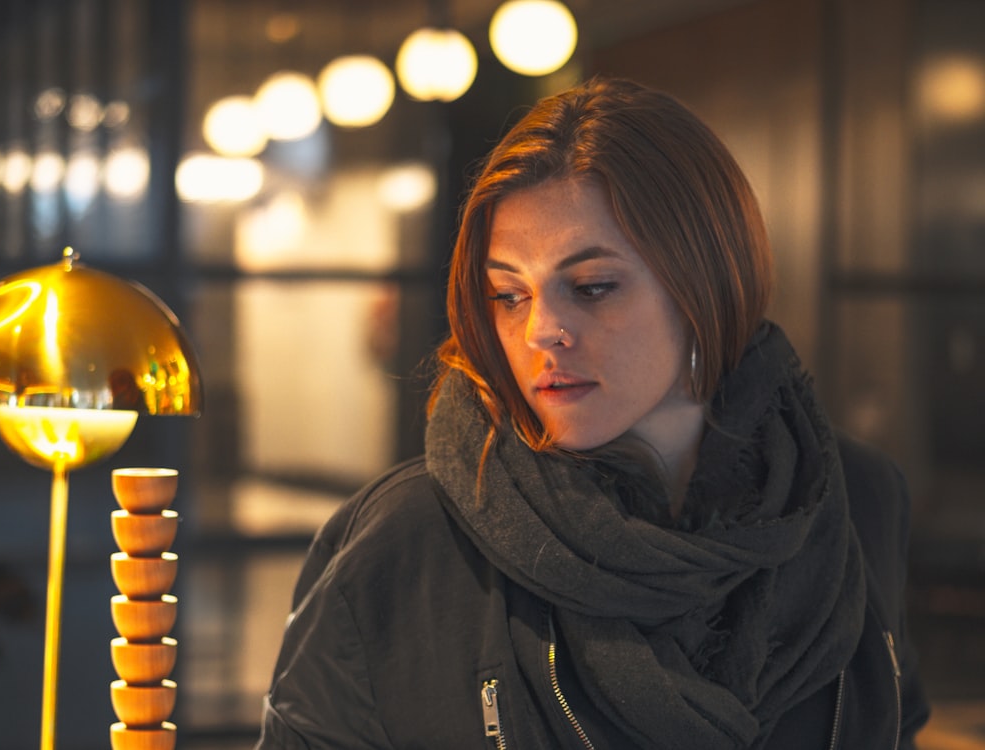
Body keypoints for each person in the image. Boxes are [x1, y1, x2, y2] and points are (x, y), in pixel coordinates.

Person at [255, 77, 929, 749]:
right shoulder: (408, 542)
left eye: (592, 287)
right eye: (508, 295)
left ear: (709, 283)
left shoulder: (853, 497)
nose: (541, 331)